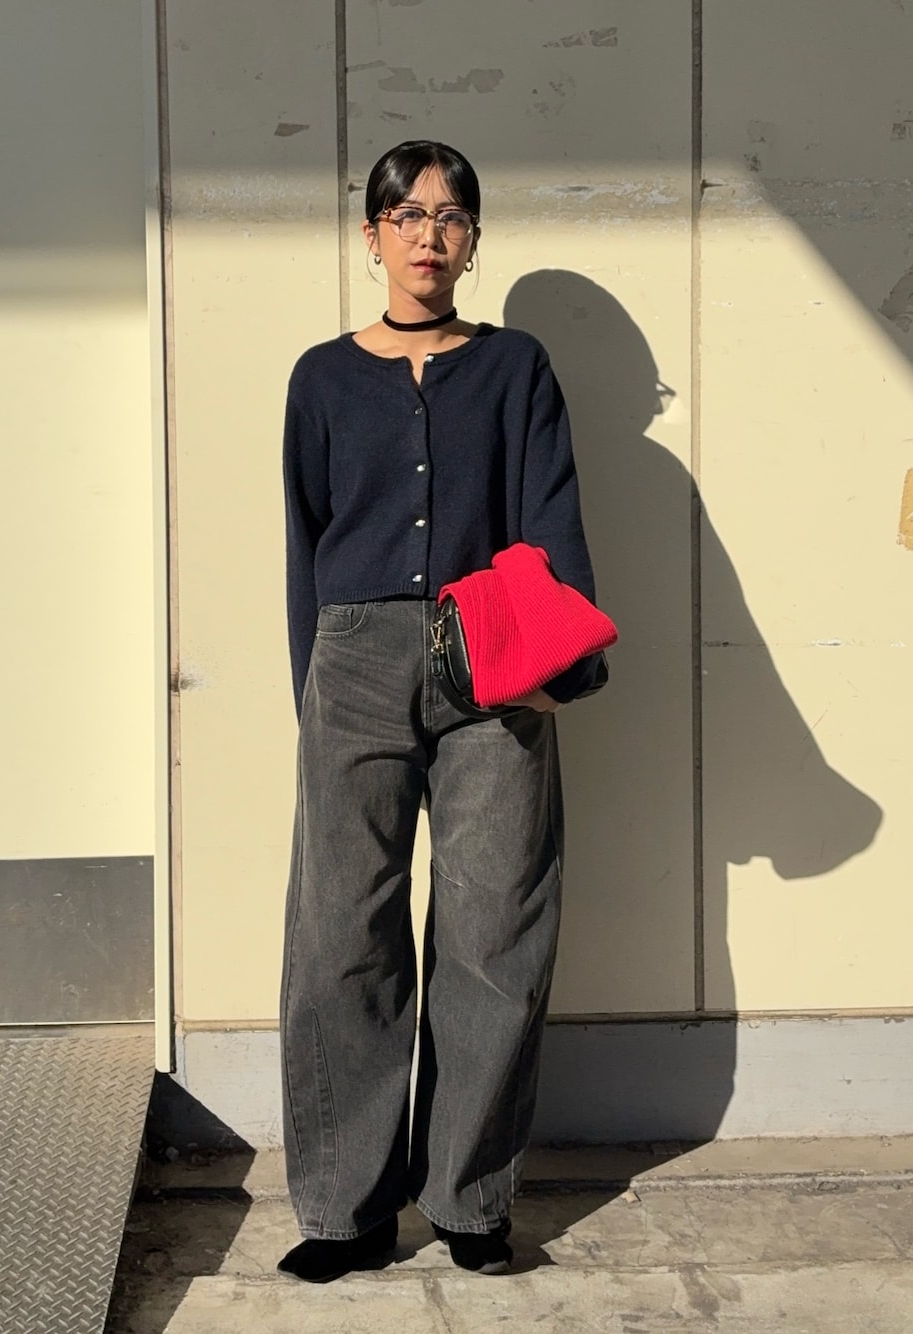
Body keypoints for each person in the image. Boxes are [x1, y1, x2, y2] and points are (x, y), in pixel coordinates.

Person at [277, 140, 603, 1284]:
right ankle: (344, 1209)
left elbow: (551, 513)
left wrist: (562, 665)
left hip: (493, 657)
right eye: (406, 214)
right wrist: (314, 684)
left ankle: (469, 1197)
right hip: (355, 658)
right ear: (370, 234)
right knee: (340, 930)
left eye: (451, 214)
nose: (429, 233)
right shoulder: (321, 377)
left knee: (494, 923)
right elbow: (304, 541)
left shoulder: (516, 367)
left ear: (472, 239)